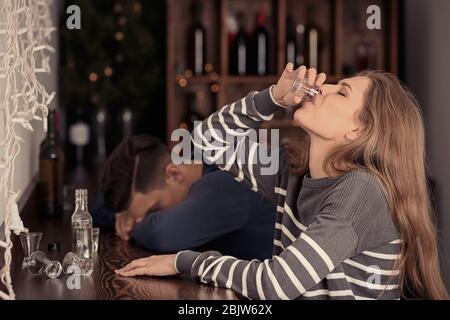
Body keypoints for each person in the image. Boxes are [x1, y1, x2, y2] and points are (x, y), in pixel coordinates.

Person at [116, 64, 449, 300]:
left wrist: (183, 261)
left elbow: (276, 283)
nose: (324, 86)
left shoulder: (361, 191)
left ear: (358, 131)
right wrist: (272, 98)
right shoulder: (291, 172)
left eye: (341, 91)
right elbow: (202, 142)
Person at [92, 135, 276, 261]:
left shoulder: (226, 180)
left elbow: (162, 233)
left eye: (154, 211)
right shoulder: (196, 161)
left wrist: (131, 223)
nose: (145, 220)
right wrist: (123, 216)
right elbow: (97, 205)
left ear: (174, 174)